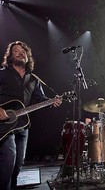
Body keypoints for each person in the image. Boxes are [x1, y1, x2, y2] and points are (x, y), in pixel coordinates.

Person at [0, 41, 62, 190]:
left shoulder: (33, 79)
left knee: (18, 163)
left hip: (22, 124)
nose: (21, 53)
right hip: (4, 124)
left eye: (24, 51)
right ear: (10, 56)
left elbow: (41, 99)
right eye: (16, 51)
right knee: (9, 158)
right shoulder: (2, 73)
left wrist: (52, 102)